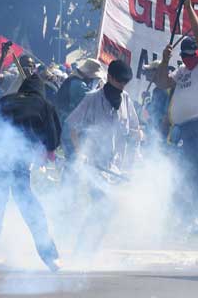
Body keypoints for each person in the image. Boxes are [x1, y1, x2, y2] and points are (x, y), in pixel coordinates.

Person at [0, 73, 62, 273]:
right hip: (16, 158)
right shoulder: (44, 105)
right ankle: (49, 254)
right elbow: (53, 141)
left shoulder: (6, 100)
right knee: (29, 206)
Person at [155, 0, 198, 236]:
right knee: (182, 177)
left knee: (197, 177)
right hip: (180, 130)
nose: (189, 59)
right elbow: (162, 83)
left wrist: (189, 7)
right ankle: (189, 220)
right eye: (185, 56)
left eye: (192, 55)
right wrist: (164, 59)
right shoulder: (182, 69)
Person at [65, 59, 140, 254]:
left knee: (109, 210)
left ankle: (89, 249)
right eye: (119, 82)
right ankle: (82, 250)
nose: (122, 86)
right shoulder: (91, 99)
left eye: (125, 83)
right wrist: (81, 152)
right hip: (95, 165)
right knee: (103, 203)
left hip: (117, 166)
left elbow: (135, 129)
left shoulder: (126, 99)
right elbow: (71, 124)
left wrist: (138, 138)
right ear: (109, 78)